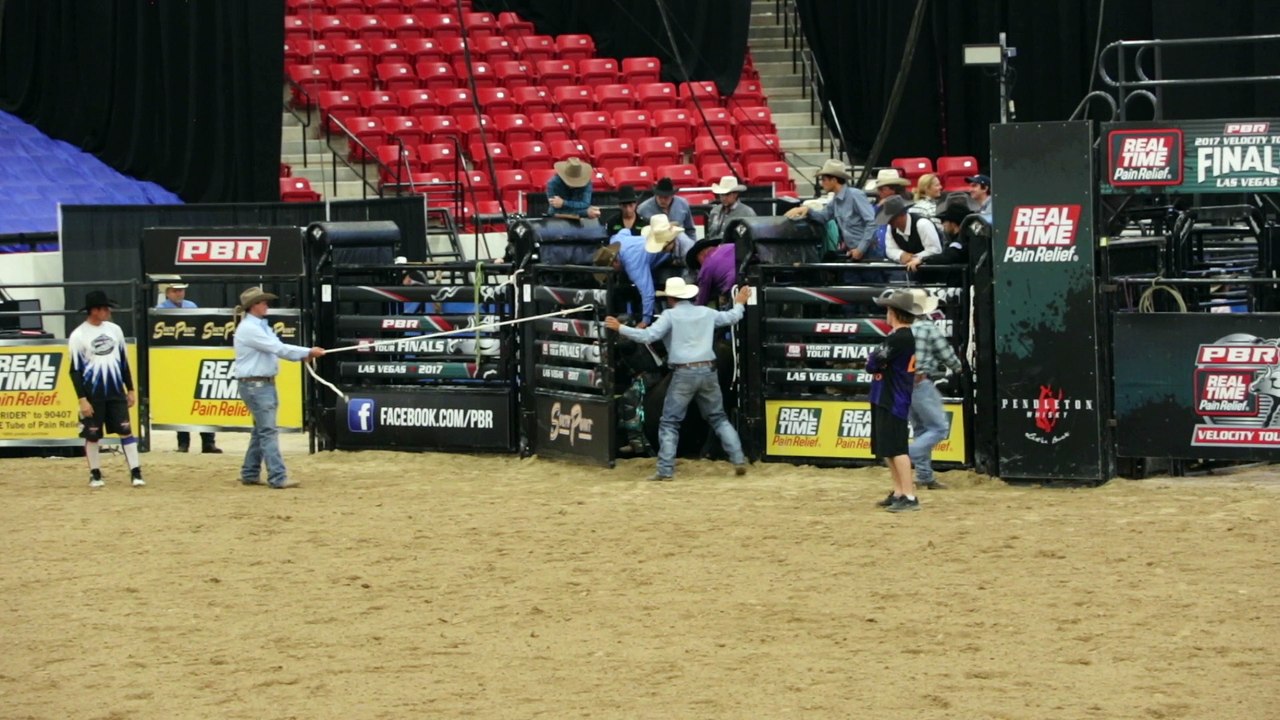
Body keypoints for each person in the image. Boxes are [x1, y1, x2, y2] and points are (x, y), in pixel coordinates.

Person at [605, 278, 752, 481]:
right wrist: (739, 302)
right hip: (708, 370)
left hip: (684, 373)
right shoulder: (706, 312)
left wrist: (621, 329)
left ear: (671, 298)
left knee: (670, 423)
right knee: (718, 418)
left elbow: (648, 336)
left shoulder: (670, 316)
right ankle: (738, 459)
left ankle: (665, 470)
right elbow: (733, 317)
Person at [232, 286, 325, 489]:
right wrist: (307, 351)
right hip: (257, 385)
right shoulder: (251, 328)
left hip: (259, 384)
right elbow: (278, 348)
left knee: (261, 430)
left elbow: (277, 348)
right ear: (254, 306)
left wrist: (304, 354)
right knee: (267, 431)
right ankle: (277, 476)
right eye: (263, 302)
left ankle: (250, 472)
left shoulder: (258, 326)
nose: (267, 305)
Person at [69, 290, 143, 488]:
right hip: (93, 394)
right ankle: (95, 473)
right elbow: (75, 371)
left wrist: (130, 388)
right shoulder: (78, 336)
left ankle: (136, 472)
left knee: (126, 432)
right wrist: (82, 399)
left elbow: (123, 362)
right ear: (94, 311)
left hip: (115, 391)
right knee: (92, 435)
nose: (108, 312)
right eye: (104, 308)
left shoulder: (115, 330)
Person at [866, 288, 923, 512]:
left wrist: (875, 361)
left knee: (897, 448)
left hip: (892, 398)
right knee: (889, 447)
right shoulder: (903, 338)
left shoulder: (899, 338)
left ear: (894, 313)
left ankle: (908, 495)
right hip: (888, 396)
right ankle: (900, 491)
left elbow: (872, 363)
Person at [155, 281, 221, 454]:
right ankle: (185, 443)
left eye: (181, 290)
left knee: (201, 399)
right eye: (176, 291)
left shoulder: (189, 306)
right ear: (168, 293)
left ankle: (206, 442)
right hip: (176, 358)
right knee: (186, 400)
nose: (179, 293)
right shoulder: (161, 309)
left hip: (190, 355)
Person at [908, 290, 961, 490]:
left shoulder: (901, 329)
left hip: (903, 385)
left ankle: (925, 476)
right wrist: (958, 367)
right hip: (921, 382)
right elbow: (946, 353)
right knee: (938, 428)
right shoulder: (928, 328)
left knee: (921, 429)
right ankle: (908, 454)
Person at [782, 159, 880, 261]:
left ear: (833, 180)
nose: (822, 183)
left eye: (824, 179)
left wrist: (861, 249)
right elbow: (823, 217)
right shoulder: (836, 201)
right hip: (854, 252)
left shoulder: (855, 195)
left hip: (867, 252)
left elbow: (872, 222)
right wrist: (807, 210)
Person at [907, 192, 979, 272]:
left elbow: (948, 256)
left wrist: (923, 260)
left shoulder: (962, 241)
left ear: (953, 223)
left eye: (944, 221)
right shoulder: (967, 236)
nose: (942, 224)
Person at [878, 195, 942, 266]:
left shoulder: (922, 224)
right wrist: (901, 255)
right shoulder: (891, 228)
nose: (889, 222)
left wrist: (916, 257)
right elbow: (890, 249)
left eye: (892, 218)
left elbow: (935, 250)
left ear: (902, 214)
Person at [686, 239, 737, 306]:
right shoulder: (731, 246)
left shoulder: (706, 267)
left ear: (702, 254)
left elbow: (702, 300)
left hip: (734, 290)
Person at [706, 175, 756, 241]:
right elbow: (710, 234)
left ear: (735, 194)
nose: (723, 198)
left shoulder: (747, 213)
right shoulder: (715, 211)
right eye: (721, 194)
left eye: (727, 194)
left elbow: (745, 236)